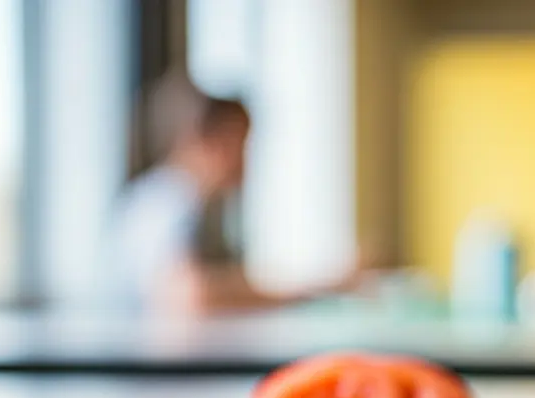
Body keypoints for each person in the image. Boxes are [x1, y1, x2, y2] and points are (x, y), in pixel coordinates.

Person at [111, 78, 360, 315]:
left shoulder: (181, 201)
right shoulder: (166, 204)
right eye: (237, 144)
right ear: (201, 140)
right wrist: (315, 288)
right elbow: (194, 294)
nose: (245, 161)